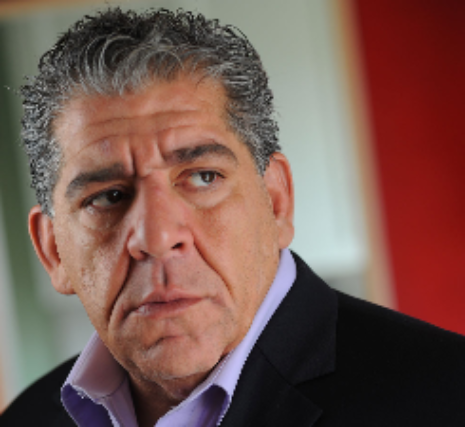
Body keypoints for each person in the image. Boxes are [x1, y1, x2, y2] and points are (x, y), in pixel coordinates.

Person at [1, 7, 465, 427]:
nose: (158, 237)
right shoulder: (25, 418)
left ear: (276, 201)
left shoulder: (449, 396)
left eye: (203, 177)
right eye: (109, 196)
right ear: (53, 250)